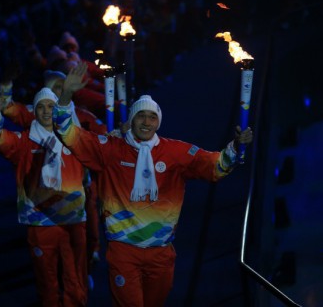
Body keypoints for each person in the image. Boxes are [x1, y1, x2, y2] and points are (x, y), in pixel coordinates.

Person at [53, 62, 253, 306]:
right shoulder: (111, 149)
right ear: (132, 119)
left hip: (161, 252)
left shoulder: (175, 152)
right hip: (123, 251)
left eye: (152, 117)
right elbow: (67, 133)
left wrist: (235, 147)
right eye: (141, 116)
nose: (146, 122)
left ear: (158, 122)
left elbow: (215, 166)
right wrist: (65, 96)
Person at [0, 86, 88, 306]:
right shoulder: (24, 141)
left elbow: (102, 147)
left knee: (74, 277)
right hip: (40, 221)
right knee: (46, 279)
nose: (46, 111)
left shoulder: (73, 136)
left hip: (72, 220)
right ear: (35, 111)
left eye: (50, 106)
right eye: (40, 107)